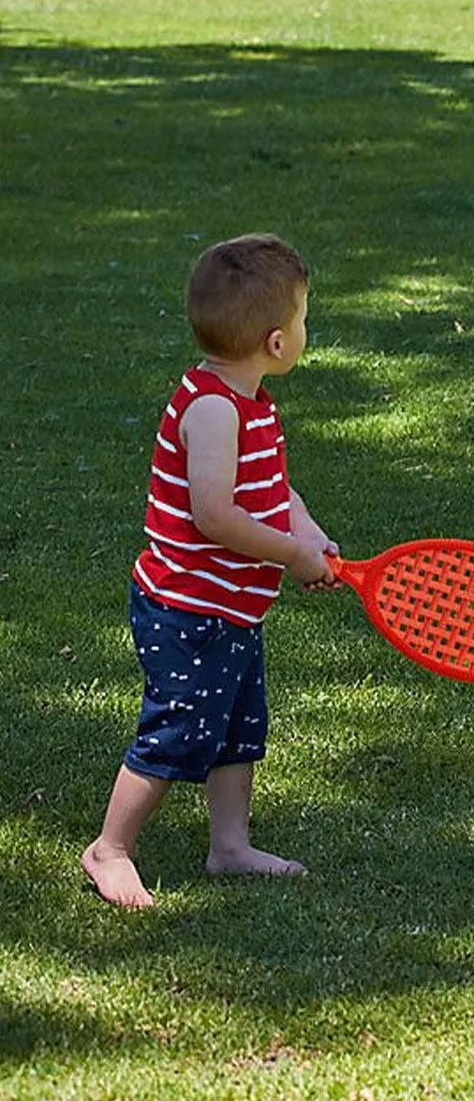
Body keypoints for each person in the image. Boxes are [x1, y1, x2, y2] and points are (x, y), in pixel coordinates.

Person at [82, 234, 339, 907]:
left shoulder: (250, 403)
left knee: (235, 729)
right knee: (180, 727)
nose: (305, 329)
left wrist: (307, 534)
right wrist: (289, 554)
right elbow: (215, 516)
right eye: (303, 318)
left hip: (232, 608)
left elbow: (274, 491)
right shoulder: (214, 409)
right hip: (185, 607)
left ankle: (229, 847)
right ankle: (109, 848)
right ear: (277, 342)